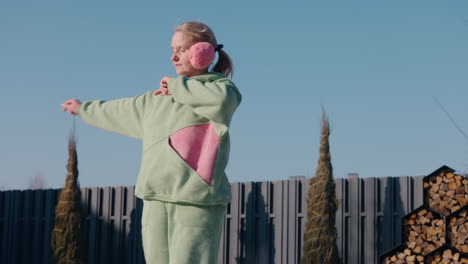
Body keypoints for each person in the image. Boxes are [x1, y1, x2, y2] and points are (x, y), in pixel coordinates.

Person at [61, 21, 242, 264]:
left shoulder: (220, 88)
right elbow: (118, 110)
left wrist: (177, 86)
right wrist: (84, 109)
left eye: (181, 49)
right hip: (154, 197)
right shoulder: (155, 100)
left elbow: (222, 103)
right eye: (172, 49)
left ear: (203, 51)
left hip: (197, 201)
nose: (173, 56)